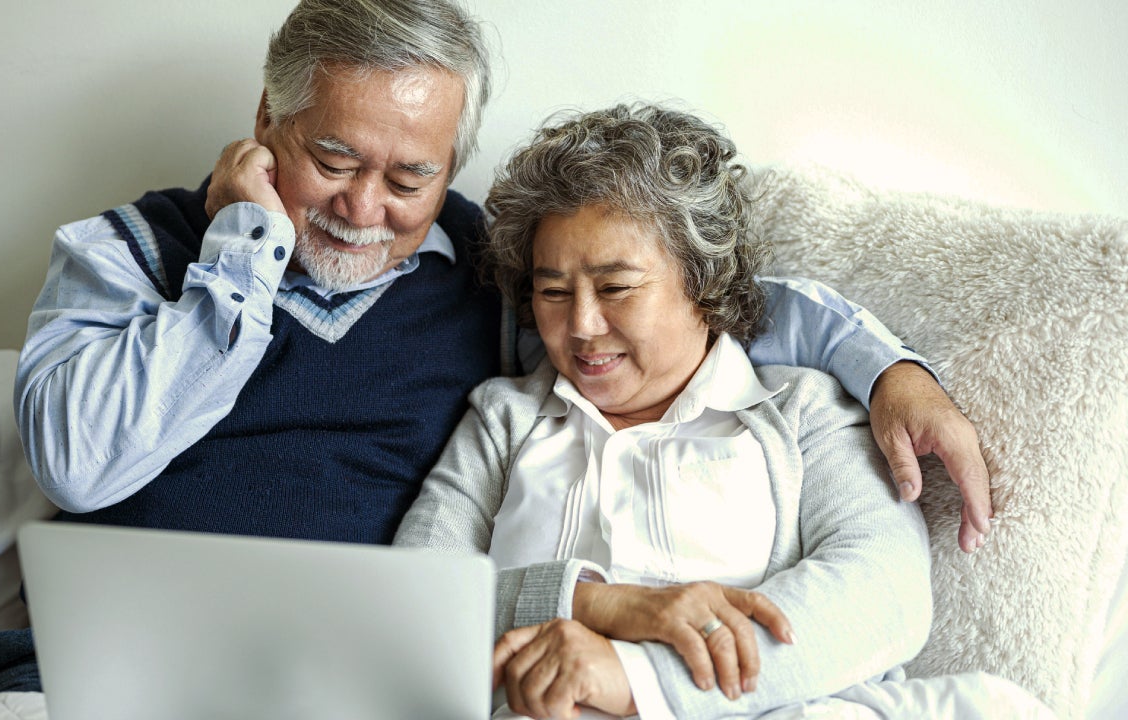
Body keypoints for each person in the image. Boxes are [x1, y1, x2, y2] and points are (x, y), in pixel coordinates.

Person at [0, 0, 989, 702]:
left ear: (451, 164)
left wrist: (888, 369)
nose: (365, 209)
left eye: (409, 177)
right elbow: (79, 464)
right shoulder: (126, 253)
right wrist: (241, 255)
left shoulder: (486, 280)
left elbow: (696, 313)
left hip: (346, 696)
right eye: (330, 159)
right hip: (87, 686)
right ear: (266, 119)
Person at [394, 103, 1049, 720]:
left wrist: (636, 677)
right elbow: (409, 603)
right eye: (553, 292)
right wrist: (591, 603)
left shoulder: (800, 412)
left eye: (617, 288)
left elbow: (883, 597)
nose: (583, 325)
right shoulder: (504, 418)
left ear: (703, 287)